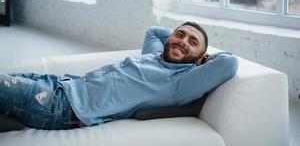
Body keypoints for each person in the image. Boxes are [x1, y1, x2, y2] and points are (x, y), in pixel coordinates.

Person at [0, 21, 238, 130]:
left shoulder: (182, 82)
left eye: (192, 42)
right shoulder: (156, 55)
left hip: (62, 107)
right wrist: (179, 42)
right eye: (179, 34)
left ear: (201, 56)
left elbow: (229, 64)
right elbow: (154, 31)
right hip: (59, 83)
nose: (183, 41)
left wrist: (205, 58)